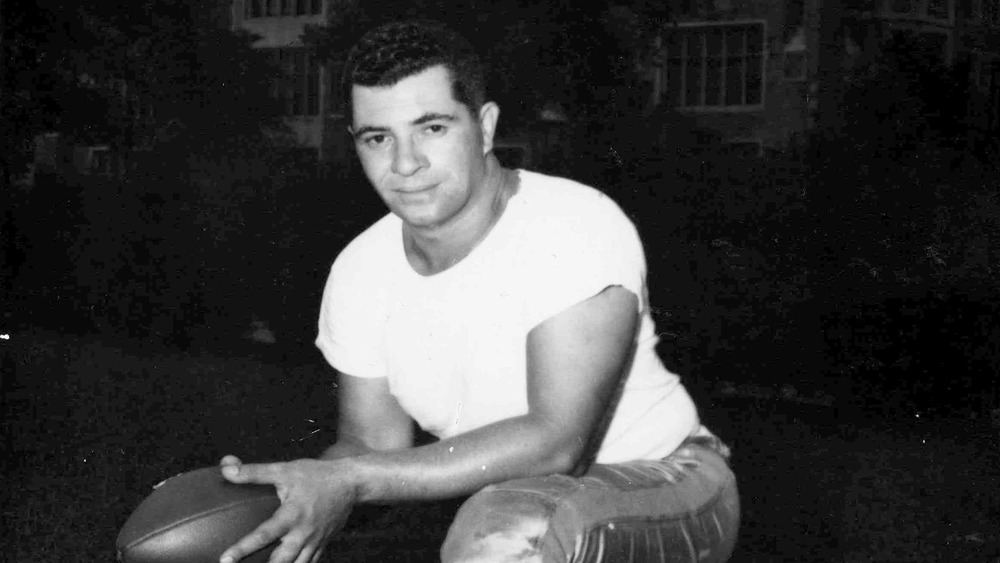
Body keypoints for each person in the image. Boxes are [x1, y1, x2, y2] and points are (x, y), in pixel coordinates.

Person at [218, 19, 739, 563]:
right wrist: (283, 501)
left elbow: (557, 441)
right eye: (379, 138)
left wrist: (352, 479)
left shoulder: (572, 224)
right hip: (510, 497)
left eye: (432, 128)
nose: (405, 163)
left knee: (503, 533)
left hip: (667, 481)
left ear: (485, 127)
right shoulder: (360, 269)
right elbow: (373, 446)